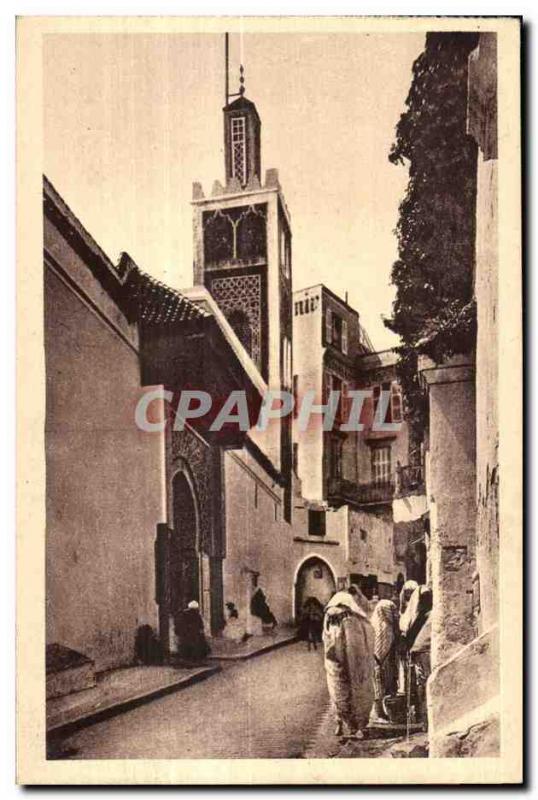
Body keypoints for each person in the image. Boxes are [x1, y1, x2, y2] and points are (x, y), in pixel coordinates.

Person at [322, 590, 375, 739]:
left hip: (335, 663)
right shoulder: (354, 618)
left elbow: (328, 642)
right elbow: (360, 644)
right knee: (358, 689)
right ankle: (358, 726)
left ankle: (346, 724)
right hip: (353, 661)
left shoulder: (329, 617)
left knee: (339, 692)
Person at [370, 599, 399, 721]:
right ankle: (380, 713)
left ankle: (381, 713)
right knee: (381, 686)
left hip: (377, 660)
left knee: (379, 686)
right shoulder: (386, 627)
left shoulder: (373, 622)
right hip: (381, 661)